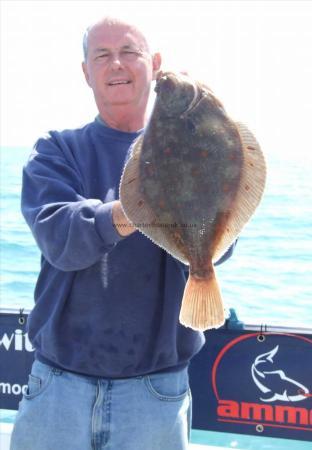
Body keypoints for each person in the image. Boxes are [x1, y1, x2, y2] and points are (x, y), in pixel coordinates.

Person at [10, 17, 235, 450]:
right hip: (58, 387)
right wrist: (135, 209)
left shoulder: (194, 142)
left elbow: (223, 240)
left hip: (155, 395)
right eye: (102, 55)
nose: (116, 64)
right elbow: (61, 236)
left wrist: (204, 157)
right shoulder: (56, 150)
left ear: (153, 64)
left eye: (129, 52)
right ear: (86, 72)